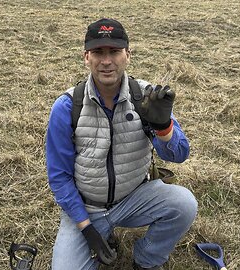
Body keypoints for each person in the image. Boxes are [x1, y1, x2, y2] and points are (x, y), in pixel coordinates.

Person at [45, 18, 198, 270]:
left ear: (128, 54)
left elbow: (180, 154)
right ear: (86, 57)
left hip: (135, 198)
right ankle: (99, 232)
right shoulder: (67, 106)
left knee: (183, 204)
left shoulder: (146, 98)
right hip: (87, 208)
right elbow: (59, 177)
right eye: (98, 52)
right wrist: (86, 229)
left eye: (114, 51)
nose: (106, 61)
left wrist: (163, 128)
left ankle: (147, 259)